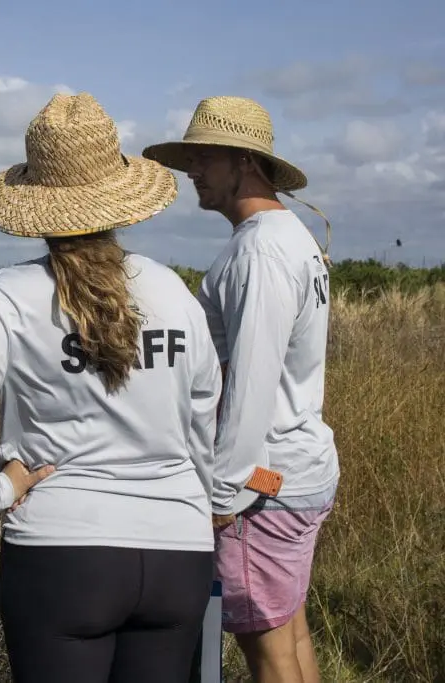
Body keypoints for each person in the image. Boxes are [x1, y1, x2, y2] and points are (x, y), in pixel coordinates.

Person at [0, 92, 223, 682]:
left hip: (63, 555)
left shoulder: (9, 296)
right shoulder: (173, 290)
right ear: (121, 197)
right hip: (180, 551)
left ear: (37, 203)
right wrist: (200, 502)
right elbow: (204, 418)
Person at [142, 95, 339, 683]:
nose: (192, 171)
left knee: (269, 648)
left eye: (203, 158)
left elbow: (250, 382)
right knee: (289, 630)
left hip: (263, 484)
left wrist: (224, 498)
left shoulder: (261, 252)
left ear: (244, 162)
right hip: (292, 471)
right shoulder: (288, 238)